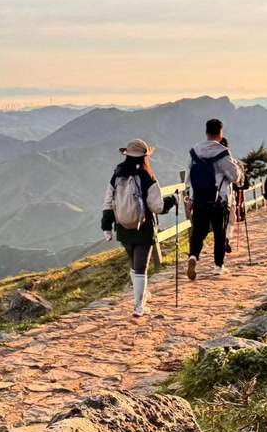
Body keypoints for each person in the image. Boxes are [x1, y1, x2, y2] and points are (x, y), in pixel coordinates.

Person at [101, 139, 177, 317]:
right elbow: (157, 207)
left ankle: (141, 297)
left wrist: (106, 226)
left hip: (123, 227)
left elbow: (108, 201)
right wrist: (172, 200)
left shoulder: (118, 173)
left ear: (126, 155)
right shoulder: (147, 175)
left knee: (134, 266)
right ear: (145, 157)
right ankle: (138, 306)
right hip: (143, 227)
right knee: (141, 267)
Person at [185, 118, 242, 280]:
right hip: (219, 200)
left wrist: (190, 197)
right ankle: (218, 266)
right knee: (219, 233)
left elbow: (188, 177)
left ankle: (193, 256)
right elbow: (235, 176)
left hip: (199, 199)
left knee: (198, 232)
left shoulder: (194, 151)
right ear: (220, 132)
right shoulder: (222, 152)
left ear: (206, 132)